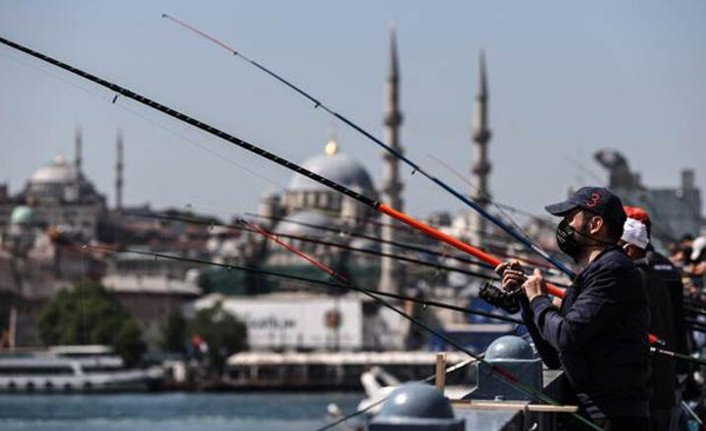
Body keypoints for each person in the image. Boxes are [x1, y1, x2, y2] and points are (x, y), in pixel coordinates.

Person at [496, 186, 650, 430]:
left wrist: (539, 300)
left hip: (610, 413)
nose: (564, 228)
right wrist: (527, 297)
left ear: (595, 225)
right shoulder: (596, 272)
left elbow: (567, 335)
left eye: (570, 219)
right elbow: (554, 352)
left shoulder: (613, 270)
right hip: (592, 411)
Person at [620, 217, 677, 431]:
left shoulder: (633, 280)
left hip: (649, 391)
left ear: (630, 250)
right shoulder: (655, 278)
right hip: (663, 388)